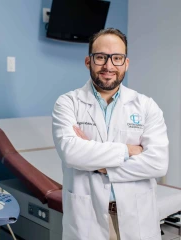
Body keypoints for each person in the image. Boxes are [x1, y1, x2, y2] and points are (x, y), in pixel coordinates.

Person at [52, 28, 169, 240]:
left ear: (126, 63)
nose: (108, 66)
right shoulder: (68, 103)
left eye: (117, 58)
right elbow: (71, 152)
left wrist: (101, 166)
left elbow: (158, 163)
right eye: (100, 58)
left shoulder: (146, 106)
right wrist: (128, 150)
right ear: (88, 62)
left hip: (137, 216)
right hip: (87, 218)